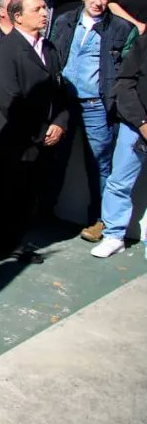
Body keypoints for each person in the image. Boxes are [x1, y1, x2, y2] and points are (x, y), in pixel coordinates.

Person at [0, 0, 69, 276]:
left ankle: (14, 243)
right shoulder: (5, 51)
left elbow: (60, 89)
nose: (44, 13)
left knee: (26, 197)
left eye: (44, 8)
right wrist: (41, 131)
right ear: (17, 16)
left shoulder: (48, 48)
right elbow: (10, 99)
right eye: (37, 9)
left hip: (41, 140)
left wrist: (60, 121)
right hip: (13, 140)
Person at [50, 0, 136, 242]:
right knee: (54, 158)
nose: (98, 2)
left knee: (99, 164)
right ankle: (43, 212)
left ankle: (100, 219)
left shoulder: (121, 29)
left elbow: (127, 69)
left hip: (96, 106)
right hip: (63, 102)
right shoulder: (65, 21)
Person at [92, 32, 147, 257]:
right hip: (136, 125)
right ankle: (114, 236)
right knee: (119, 181)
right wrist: (142, 123)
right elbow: (125, 82)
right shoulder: (143, 42)